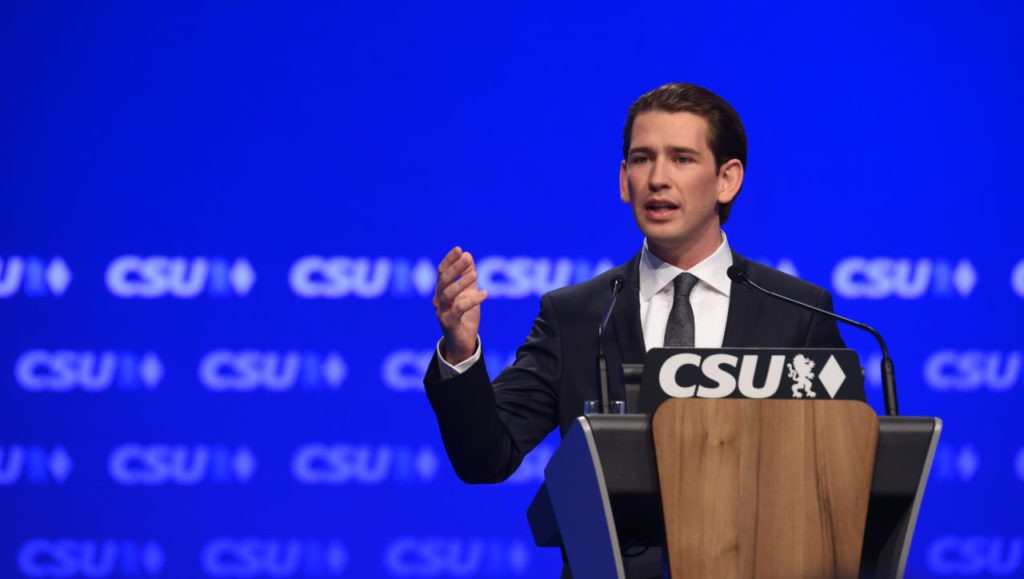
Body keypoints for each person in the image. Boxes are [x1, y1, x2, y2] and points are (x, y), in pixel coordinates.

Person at [425, 82, 845, 485]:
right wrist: (460, 352)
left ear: (727, 180)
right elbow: (485, 459)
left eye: (682, 158)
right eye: (643, 159)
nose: (657, 178)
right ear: (624, 178)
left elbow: (840, 465)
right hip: (618, 560)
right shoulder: (576, 315)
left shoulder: (798, 314)